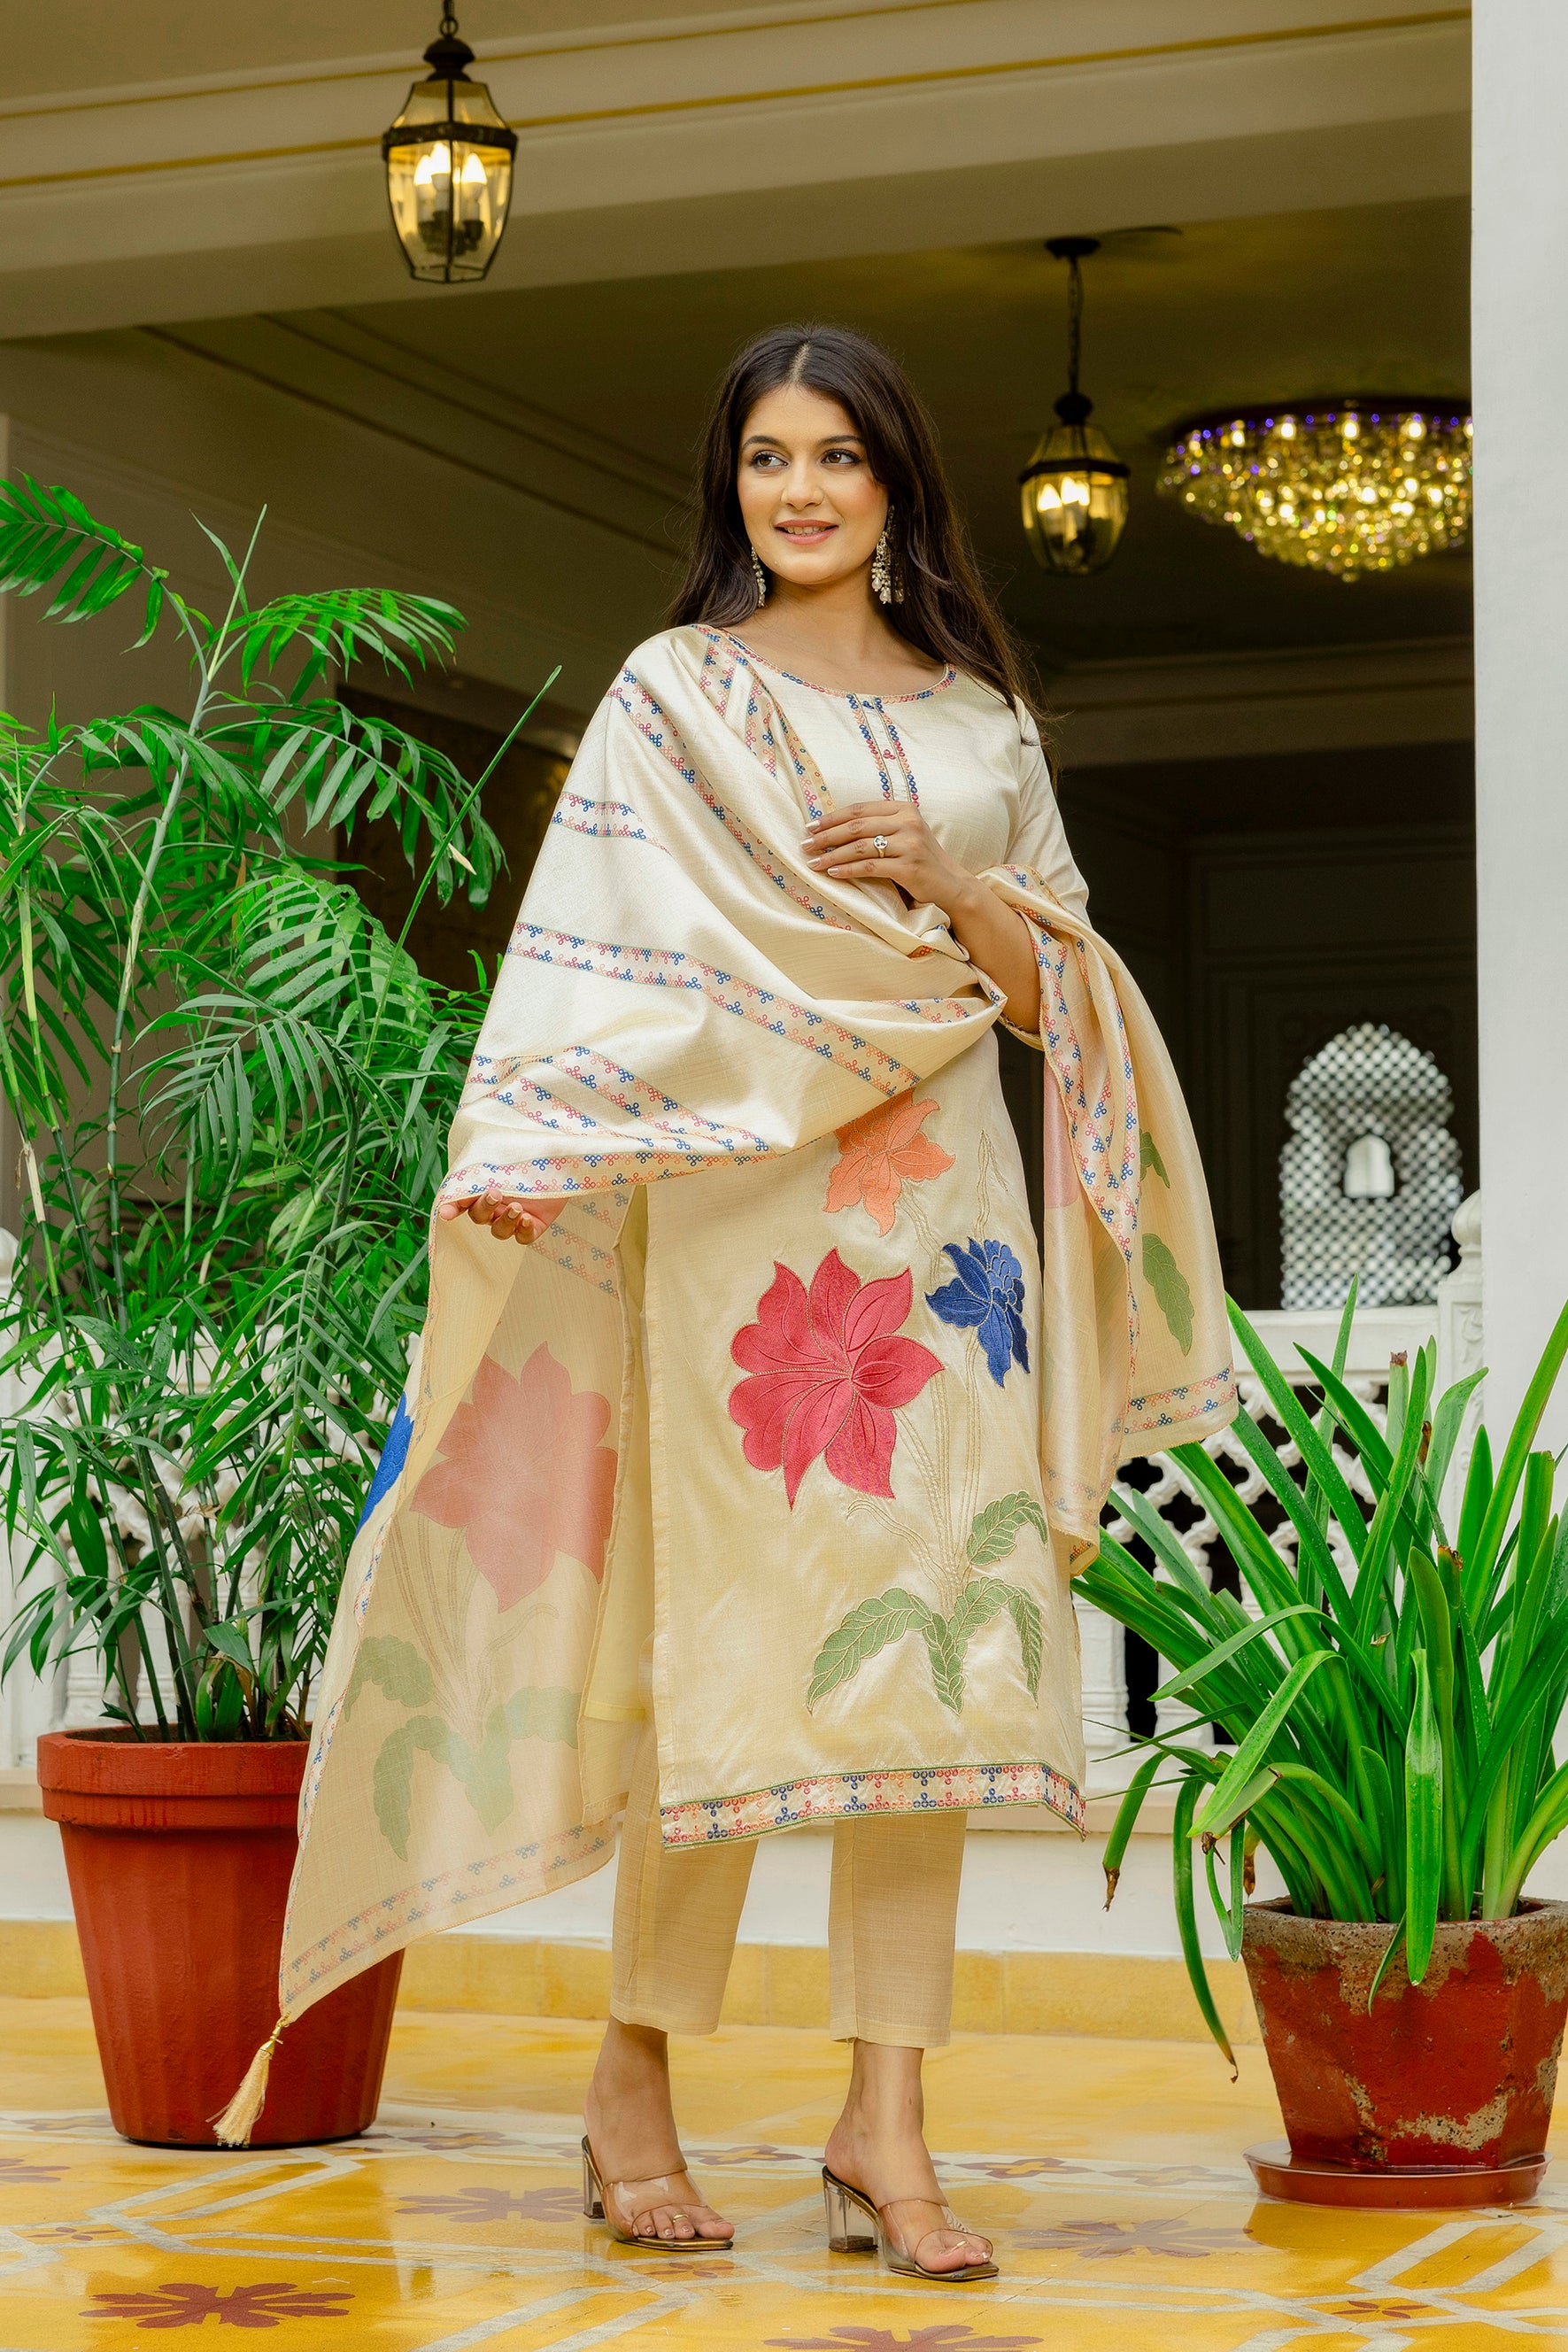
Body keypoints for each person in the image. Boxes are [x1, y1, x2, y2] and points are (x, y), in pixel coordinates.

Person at [249, 325, 1235, 2285]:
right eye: (766, 458)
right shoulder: (671, 695)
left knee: (933, 1660)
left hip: (943, 1237)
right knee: (727, 1647)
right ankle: (635, 2069)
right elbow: (585, 952)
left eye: (838, 457)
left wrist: (962, 888)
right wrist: (521, 1140)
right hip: (738, 1225)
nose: (797, 490)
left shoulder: (978, 722)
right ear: (732, 482)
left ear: (895, 488)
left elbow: (1063, 1000)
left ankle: (888, 2112)